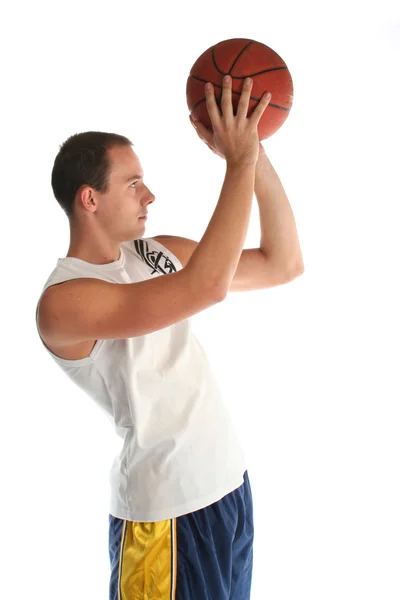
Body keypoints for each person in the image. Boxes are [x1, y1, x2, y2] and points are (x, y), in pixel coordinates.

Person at [35, 76, 302, 599]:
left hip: (228, 488)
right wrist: (237, 161)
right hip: (167, 514)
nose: (150, 195)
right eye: (133, 183)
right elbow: (209, 286)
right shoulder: (64, 301)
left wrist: (256, 150)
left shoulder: (153, 253)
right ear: (89, 198)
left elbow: (282, 263)